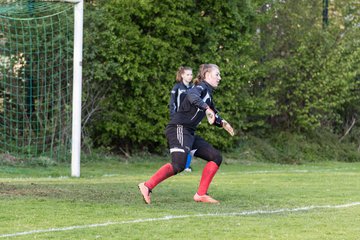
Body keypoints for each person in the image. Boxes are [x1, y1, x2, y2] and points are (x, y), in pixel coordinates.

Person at [138, 64, 234, 204]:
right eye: (217, 74)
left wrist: (223, 123)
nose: (220, 78)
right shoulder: (200, 88)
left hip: (189, 132)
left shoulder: (208, 94)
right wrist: (206, 109)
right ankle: (147, 186)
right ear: (207, 75)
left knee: (216, 157)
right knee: (179, 164)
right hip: (179, 128)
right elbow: (191, 96)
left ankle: (200, 194)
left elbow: (213, 116)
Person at [169, 66, 194, 172]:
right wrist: (174, 117)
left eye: (191, 74)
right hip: (179, 120)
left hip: (190, 121)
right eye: (187, 74)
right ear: (182, 75)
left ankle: (186, 166)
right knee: (180, 143)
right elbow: (172, 103)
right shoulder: (177, 88)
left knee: (190, 142)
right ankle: (180, 165)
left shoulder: (193, 88)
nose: (190, 77)